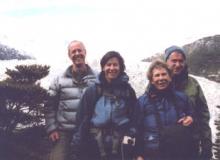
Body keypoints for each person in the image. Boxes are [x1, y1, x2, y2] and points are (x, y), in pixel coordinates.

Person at [75, 51, 137, 160]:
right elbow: (83, 118)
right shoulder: (93, 91)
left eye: (115, 65)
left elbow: (134, 117)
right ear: (103, 67)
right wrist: (78, 143)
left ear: (121, 67)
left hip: (121, 146)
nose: (112, 68)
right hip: (95, 144)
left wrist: (131, 135)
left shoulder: (128, 91)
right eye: (108, 64)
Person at [45, 40, 96, 160]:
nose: (77, 53)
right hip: (64, 132)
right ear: (69, 55)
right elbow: (49, 105)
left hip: (88, 131)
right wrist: (52, 128)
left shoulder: (97, 79)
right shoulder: (59, 80)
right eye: (73, 51)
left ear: (85, 52)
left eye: (80, 50)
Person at [135, 60, 194, 160]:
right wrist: (138, 154)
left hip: (178, 153)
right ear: (151, 80)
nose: (161, 78)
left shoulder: (182, 98)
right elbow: (136, 129)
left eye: (164, 74)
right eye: (157, 75)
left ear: (170, 77)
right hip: (152, 154)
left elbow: (192, 115)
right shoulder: (142, 102)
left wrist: (190, 118)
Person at [164, 45, 213, 160]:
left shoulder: (193, 84)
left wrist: (206, 145)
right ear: (166, 62)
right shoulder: (158, 82)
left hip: (190, 144)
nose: (178, 64)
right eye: (174, 61)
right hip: (164, 146)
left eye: (181, 61)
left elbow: (203, 116)